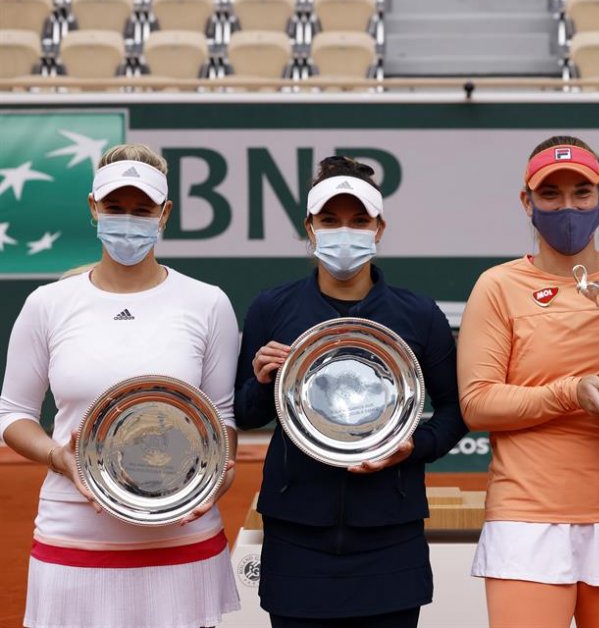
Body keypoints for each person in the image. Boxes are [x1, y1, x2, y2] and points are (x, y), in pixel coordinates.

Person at [0, 144, 242, 627]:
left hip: (181, 540)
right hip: (73, 538)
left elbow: (222, 418)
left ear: (164, 213)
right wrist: (60, 459)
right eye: (114, 208)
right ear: (93, 207)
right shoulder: (48, 304)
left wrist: (212, 481)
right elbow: (12, 415)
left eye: (141, 209)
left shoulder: (208, 303)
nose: (127, 220)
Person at [234, 155, 467, 628]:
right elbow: (244, 413)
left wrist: (412, 447)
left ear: (379, 228)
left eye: (359, 220)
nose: (345, 231)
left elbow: (453, 413)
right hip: (297, 537)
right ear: (310, 227)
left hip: (389, 537)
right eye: (330, 220)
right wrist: (261, 381)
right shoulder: (272, 308)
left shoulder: (418, 316)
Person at [457, 136, 599, 628]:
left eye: (582, 192)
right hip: (526, 515)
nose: (568, 206)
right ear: (526, 201)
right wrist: (571, 392)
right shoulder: (497, 286)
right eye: (550, 194)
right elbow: (477, 404)